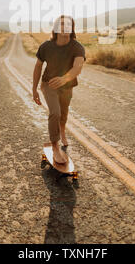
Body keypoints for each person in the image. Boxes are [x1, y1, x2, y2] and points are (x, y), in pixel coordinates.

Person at [32, 15, 86, 164]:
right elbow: (38, 67)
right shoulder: (46, 46)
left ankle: (62, 130)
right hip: (49, 84)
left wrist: (64, 79)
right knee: (55, 113)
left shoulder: (77, 47)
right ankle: (55, 145)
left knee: (64, 113)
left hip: (67, 86)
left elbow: (78, 67)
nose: (65, 27)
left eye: (69, 24)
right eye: (62, 24)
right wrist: (34, 89)